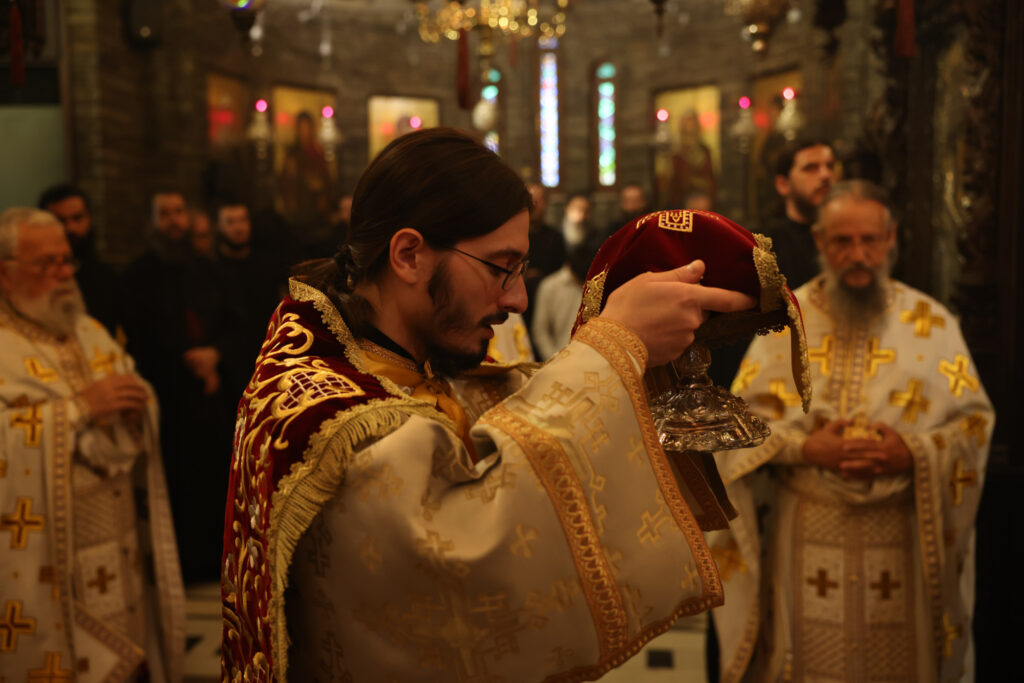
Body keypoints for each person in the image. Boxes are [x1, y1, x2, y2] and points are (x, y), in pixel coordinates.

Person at [220, 127, 759, 681]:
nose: (517, 299)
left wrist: (641, 355)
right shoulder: (325, 414)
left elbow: (507, 405)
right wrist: (616, 344)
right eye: (502, 267)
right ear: (408, 255)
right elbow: (466, 568)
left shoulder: (391, 360)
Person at [709, 181, 994, 682]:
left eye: (869, 240)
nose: (858, 255)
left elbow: (973, 425)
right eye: (842, 241)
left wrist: (913, 451)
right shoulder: (787, 325)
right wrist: (805, 448)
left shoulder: (931, 323)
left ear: (891, 239)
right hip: (809, 540)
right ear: (820, 241)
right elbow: (740, 430)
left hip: (901, 540)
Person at [0, 208, 185, 681]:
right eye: (47, 264)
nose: (64, 273)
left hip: (120, 550)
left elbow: (137, 393)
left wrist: (136, 409)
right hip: (53, 571)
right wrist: (80, 409)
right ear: (4, 274)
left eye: (67, 260)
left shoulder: (89, 331)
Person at [121, 191, 228, 583]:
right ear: (152, 221)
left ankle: (216, 560)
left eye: (179, 212)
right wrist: (187, 361)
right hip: (167, 397)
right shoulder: (136, 276)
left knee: (213, 480)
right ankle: (181, 564)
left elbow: (234, 322)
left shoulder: (209, 270)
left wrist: (216, 354)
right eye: (164, 214)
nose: (173, 221)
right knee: (175, 483)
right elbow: (136, 339)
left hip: (212, 397)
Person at [37, 183, 120, 336]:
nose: (70, 228)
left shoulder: (107, 279)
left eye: (77, 218)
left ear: (90, 218)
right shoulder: (34, 279)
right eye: (60, 220)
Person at [763, 138, 837, 289]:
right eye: (811, 168)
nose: (825, 175)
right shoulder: (765, 248)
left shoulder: (852, 235)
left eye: (830, 166)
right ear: (783, 184)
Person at [530, 244, 592, 360]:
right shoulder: (550, 286)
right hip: (558, 356)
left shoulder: (596, 285)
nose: (582, 283)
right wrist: (553, 359)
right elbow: (540, 331)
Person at [520, 182, 566, 334]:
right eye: (531, 200)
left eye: (539, 200)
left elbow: (560, 273)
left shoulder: (555, 237)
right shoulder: (513, 235)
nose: (535, 205)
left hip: (549, 304)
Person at [667, 111, 717, 209]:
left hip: (703, 198)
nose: (689, 129)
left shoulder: (705, 151)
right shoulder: (677, 154)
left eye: (692, 125)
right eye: (686, 125)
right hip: (682, 201)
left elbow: (710, 177)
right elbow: (674, 182)